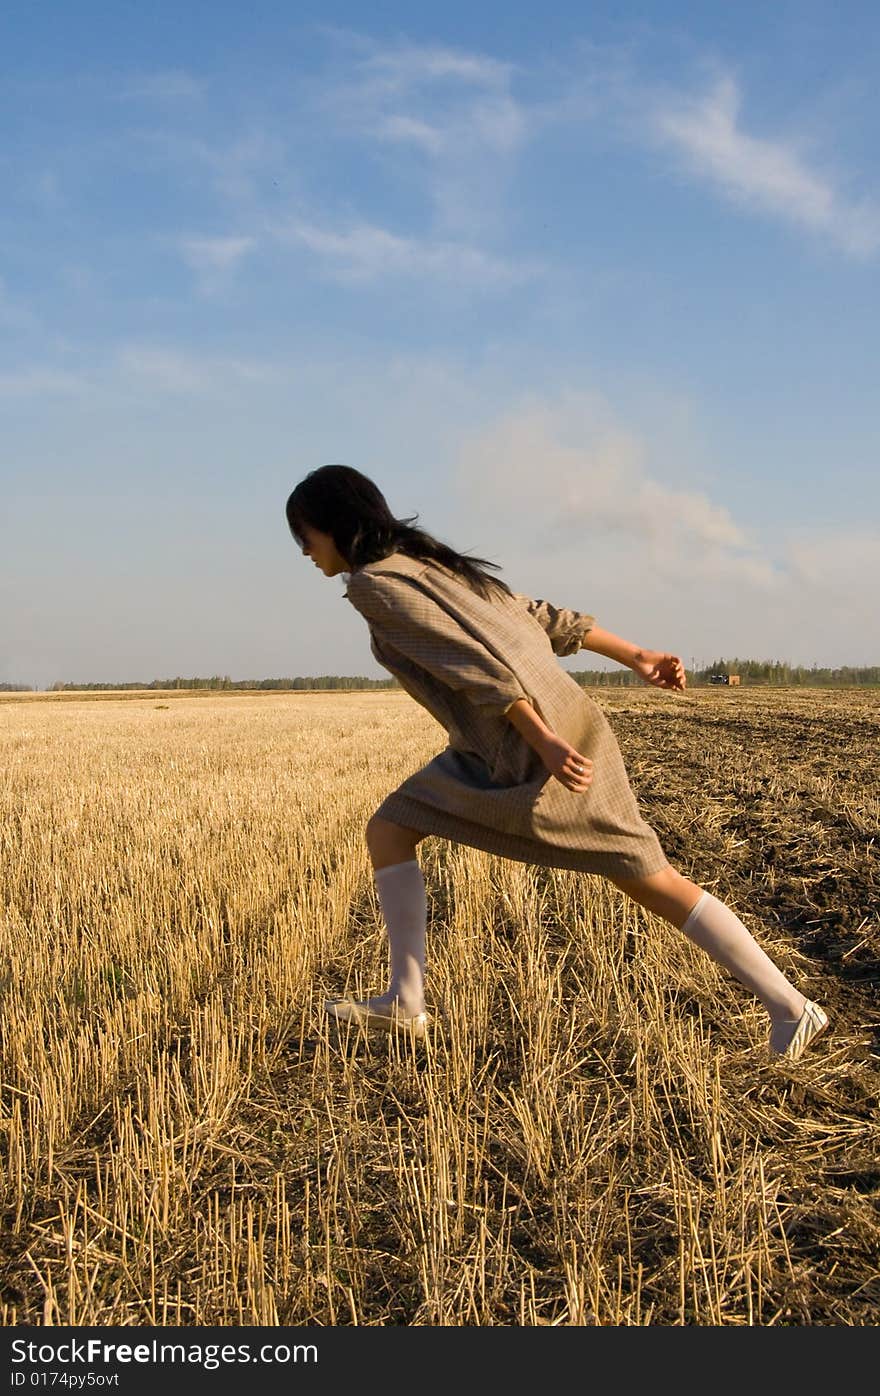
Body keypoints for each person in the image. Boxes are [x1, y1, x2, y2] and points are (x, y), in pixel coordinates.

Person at [286, 464, 829, 1063]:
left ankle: (790, 1006)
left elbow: (472, 666)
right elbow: (536, 614)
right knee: (393, 827)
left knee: (647, 875)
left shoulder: (375, 585)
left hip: (525, 744)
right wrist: (636, 654)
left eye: (304, 535)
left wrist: (538, 738)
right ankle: (405, 999)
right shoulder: (429, 563)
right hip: (546, 727)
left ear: (335, 524)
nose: (304, 551)